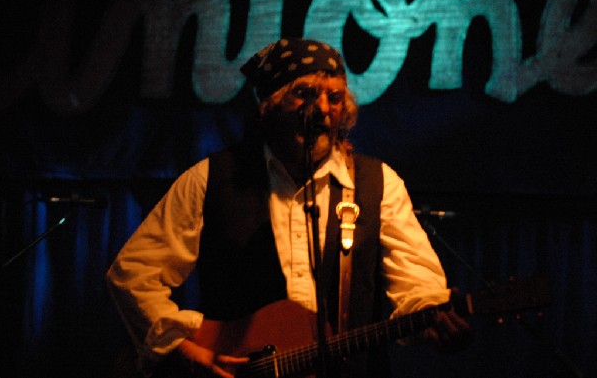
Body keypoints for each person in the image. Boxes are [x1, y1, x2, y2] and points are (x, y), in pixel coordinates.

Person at [106, 37, 471, 378]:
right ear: (270, 104)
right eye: (306, 94)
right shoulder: (213, 178)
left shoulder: (378, 184)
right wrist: (184, 351)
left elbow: (416, 285)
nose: (323, 109)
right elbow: (133, 273)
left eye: (335, 96)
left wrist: (431, 316)